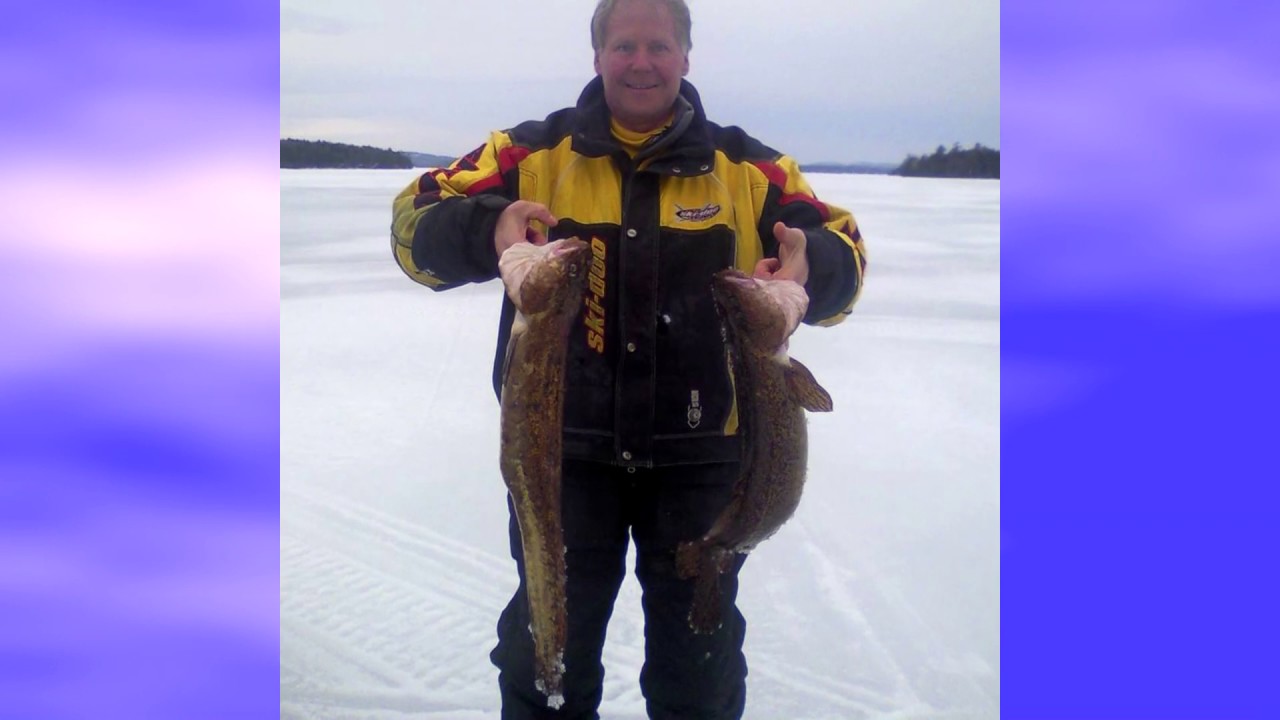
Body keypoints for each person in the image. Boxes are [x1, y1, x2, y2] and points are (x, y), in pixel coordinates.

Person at [390, 1, 866, 717]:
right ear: (596, 56)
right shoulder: (528, 156)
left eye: (658, 45)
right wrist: (488, 229)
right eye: (623, 46)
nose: (640, 61)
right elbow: (410, 223)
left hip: (703, 466)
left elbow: (844, 249)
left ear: (685, 57)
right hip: (560, 460)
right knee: (545, 660)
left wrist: (813, 262)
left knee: (698, 677)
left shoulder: (751, 170)